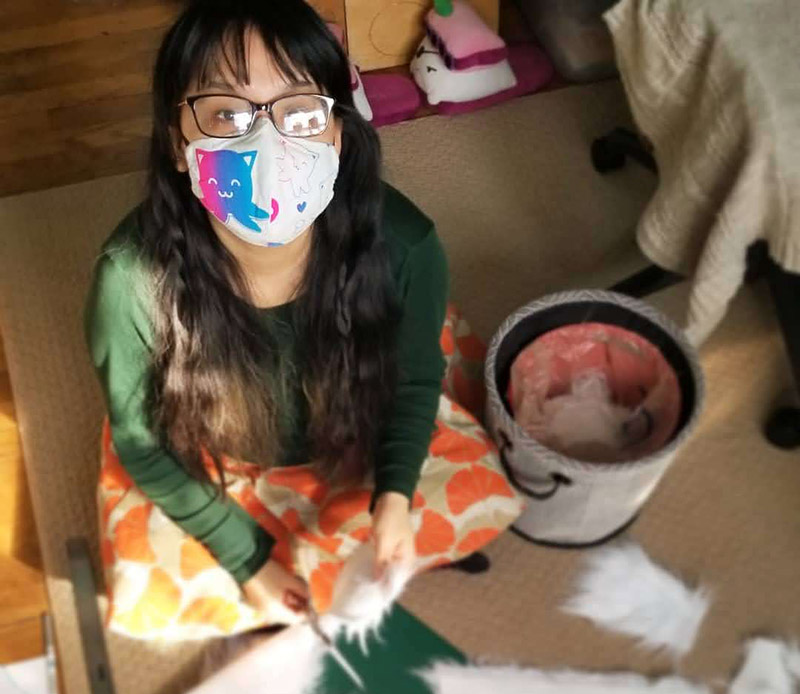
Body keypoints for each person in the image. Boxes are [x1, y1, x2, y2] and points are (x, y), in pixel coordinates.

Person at [85, 0, 521, 637]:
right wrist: (250, 562)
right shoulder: (130, 281)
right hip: (215, 448)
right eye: (227, 112)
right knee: (146, 597)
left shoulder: (405, 245)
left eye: (299, 110)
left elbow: (414, 382)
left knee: (479, 495)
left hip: (356, 430)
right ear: (179, 146)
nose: (268, 141)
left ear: (338, 134)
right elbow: (142, 444)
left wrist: (395, 497)